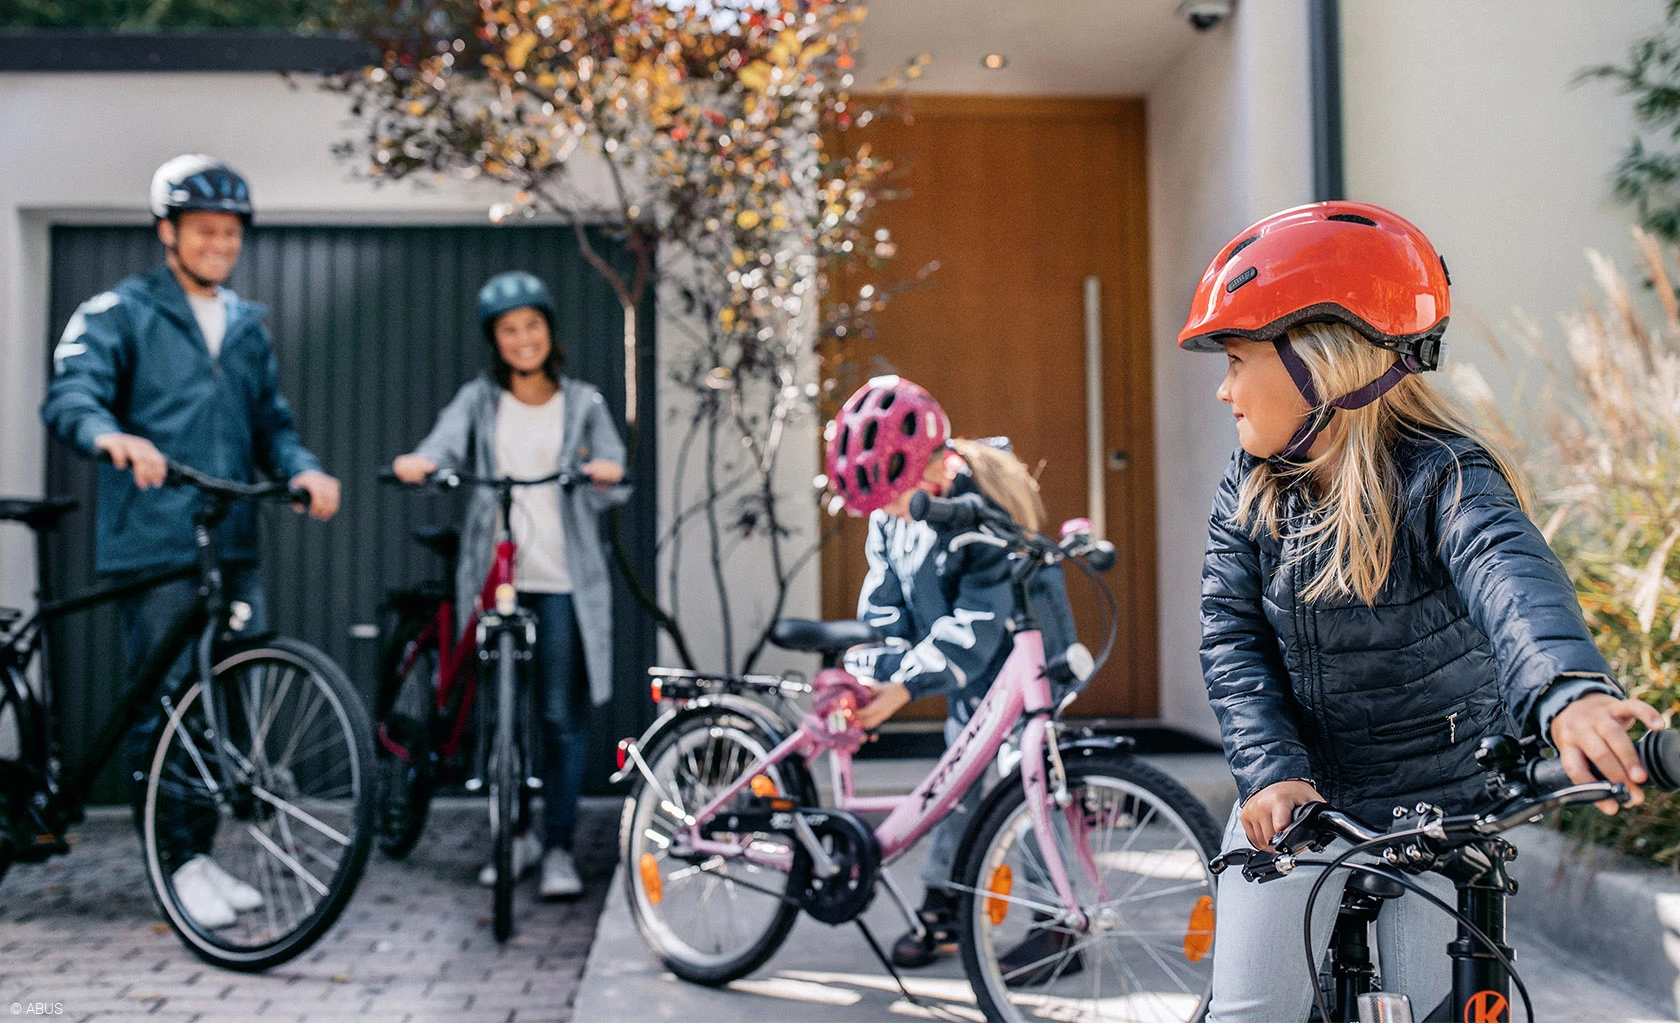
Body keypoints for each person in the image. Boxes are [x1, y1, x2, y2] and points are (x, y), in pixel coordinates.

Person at [1179, 200, 1666, 1021]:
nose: (1225, 388)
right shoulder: (1252, 488)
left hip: (1439, 805)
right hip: (1300, 800)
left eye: (1236, 358)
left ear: (1318, 364)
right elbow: (1231, 638)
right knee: (1250, 1009)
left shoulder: (1446, 477)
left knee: (1446, 1003)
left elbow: (1510, 575)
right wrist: (1272, 773)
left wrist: (1570, 694)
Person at [40, 154, 341, 930]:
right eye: (206, 230)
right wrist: (112, 437)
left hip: (230, 540)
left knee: (224, 705)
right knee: (171, 703)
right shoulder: (122, 311)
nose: (221, 244)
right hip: (155, 538)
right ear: (168, 232)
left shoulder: (244, 326)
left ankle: (200, 855)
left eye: (231, 232)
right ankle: (178, 866)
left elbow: (273, 424)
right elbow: (72, 390)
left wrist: (304, 470)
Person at [823, 375, 1079, 972]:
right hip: (960, 671)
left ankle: (1059, 919)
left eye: (891, 500)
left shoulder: (980, 508)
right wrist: (874, 671)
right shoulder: (891, 514)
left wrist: (907, 685)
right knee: (956, 778)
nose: (884, 515)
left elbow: (975, 626)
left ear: (926, 471)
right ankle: (944, 902)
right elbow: (885, 610)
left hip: (1024, 662)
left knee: (1028, 776)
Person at [391, 270, 629, 899]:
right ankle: (511, 835)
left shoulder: (583, 402)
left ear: (549, 332)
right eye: (508, 330)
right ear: (494, 341)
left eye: (532, 326)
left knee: (556, 715)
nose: (523, 339)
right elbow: (440, 446)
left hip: (560, 579)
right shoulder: (477, 401)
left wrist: (603, 473)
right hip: (498, 578)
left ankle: (557, 847)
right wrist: (422, 463)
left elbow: (615, 471)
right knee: (499, 717)